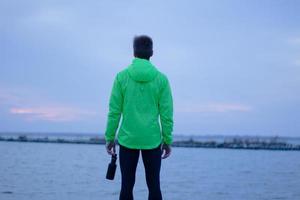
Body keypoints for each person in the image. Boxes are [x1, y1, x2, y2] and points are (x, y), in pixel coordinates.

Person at [104, 35, 173, 200]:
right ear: (152, 53)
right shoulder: (161, 79)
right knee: (154, 186)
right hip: (152, 140)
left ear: (134, 52)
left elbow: (114, 111)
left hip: (128, 139)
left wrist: (110, 137)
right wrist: (167, 140)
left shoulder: (121, 77)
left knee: (126, 186)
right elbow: (167, 114)